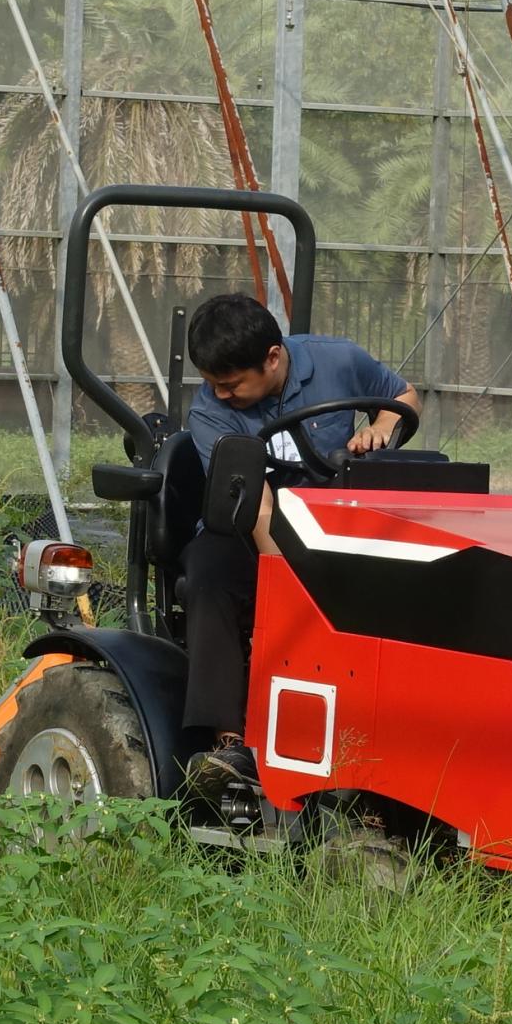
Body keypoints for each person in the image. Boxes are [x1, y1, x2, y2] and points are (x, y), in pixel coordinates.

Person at [173, 291, 421, 816]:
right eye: (214, 382)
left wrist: (380, 426)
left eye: (232, 383)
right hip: (245, 527)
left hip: (335, 524)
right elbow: (257, 508)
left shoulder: (338, 360)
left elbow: (403, 396)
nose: (221, 392)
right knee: (208, 573)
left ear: (273, 357)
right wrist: (302, 586)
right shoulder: (210, 411)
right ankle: (229, 743)